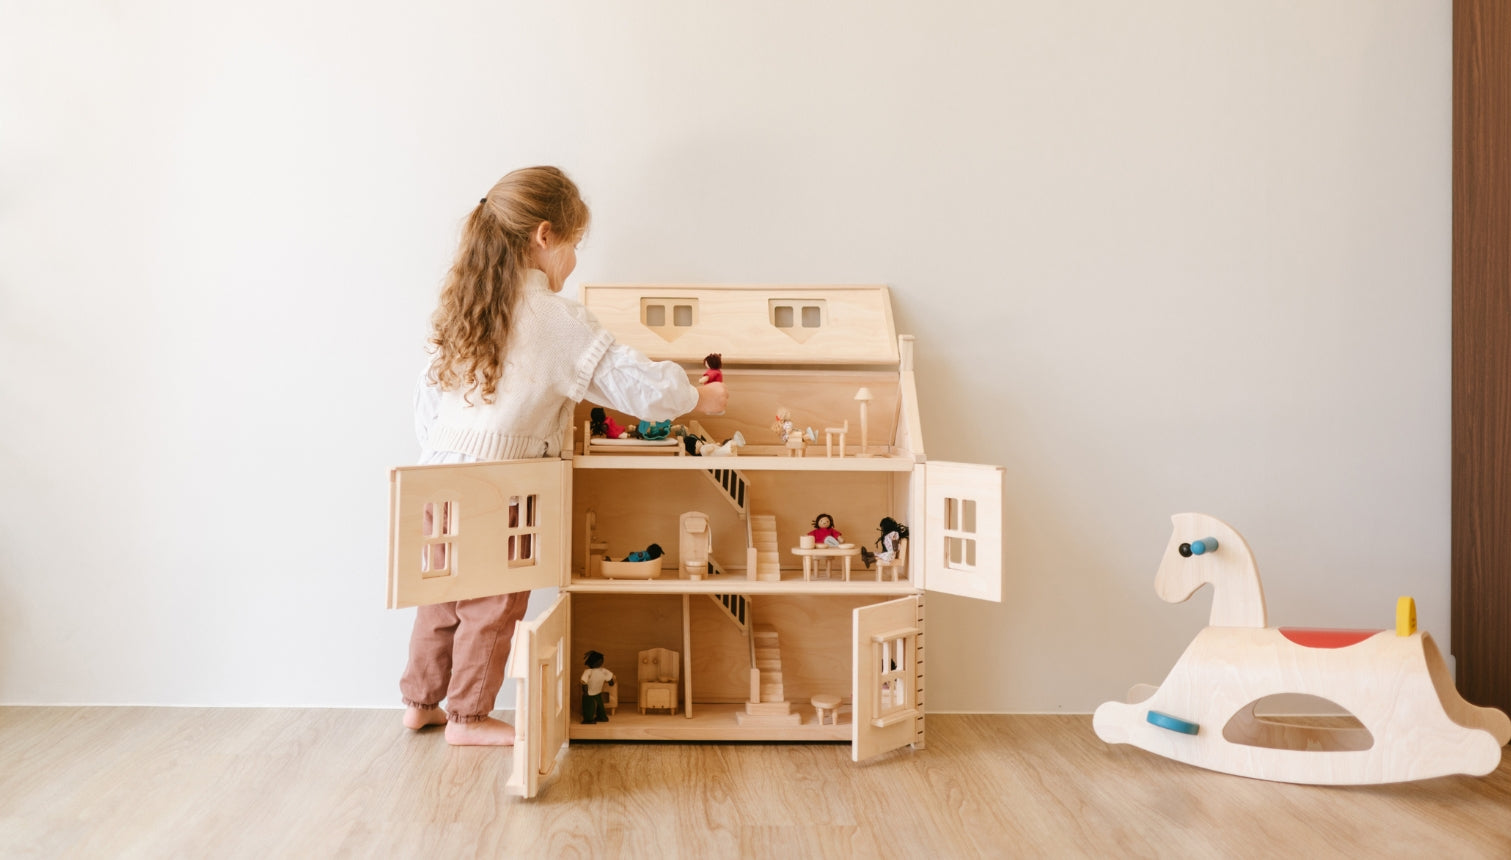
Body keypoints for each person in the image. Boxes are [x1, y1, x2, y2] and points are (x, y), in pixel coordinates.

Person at [401, 166, 728, 746]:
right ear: (545, 236)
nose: (575, 260)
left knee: (442, 596)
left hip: (439, 474)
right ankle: (469, 718)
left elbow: (427, 400)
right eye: (576, 244)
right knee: (493, 605)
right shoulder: (557, 320)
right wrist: (699, 395)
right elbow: (635, 386)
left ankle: (419, 702)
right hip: (504, 482)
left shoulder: (464, 306)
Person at [580, 651, 615, 724]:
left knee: (598, 705)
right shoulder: (590, 671)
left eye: (601, 661)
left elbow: (609, 677)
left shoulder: (601, 671)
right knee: (591, 706)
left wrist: (611, 681)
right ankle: (589, 719)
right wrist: (585, 690)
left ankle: (600, 717)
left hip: (595, 692)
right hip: (590, 693)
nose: (600, 662)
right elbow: (584, 681)